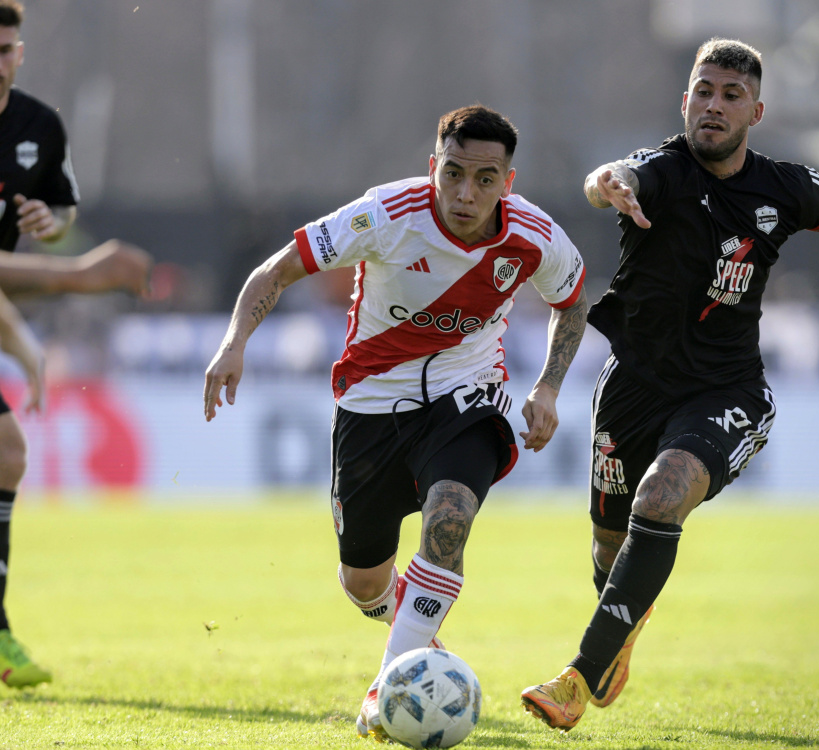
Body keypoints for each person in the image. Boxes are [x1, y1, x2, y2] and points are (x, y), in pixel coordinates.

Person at [520, 38, 819, 731]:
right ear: (684, 100)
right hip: (632, 386)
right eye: (703, 91)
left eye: (731, 95)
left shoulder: (786, 187)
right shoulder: (659, 171)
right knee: (608, 547)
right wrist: (608, 184)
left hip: (727, 392)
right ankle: (621, 629)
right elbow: (612, 176)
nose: (714, 106)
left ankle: (577, 676)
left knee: (661, 497)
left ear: (756, 111)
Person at [204, 104, 588, 739]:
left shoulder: (535, 236)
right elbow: (276, 270)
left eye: (485, 179)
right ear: (432, 166)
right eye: (453, 173)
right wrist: (233, 342)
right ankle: (412, 631)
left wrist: (548, 386)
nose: (466, 194)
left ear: (507, 182)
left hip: (467, 396)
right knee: (362, 582)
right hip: (371, 405)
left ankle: (386, 691)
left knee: (449, 519)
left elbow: (571, 304)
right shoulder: (384, 215)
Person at [0, 0, 152, 689]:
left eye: (6, 48)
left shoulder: (38, 126)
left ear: (20, 52)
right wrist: (80, 276)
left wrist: (51, 224)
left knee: (7, 452)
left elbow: (60, 215)